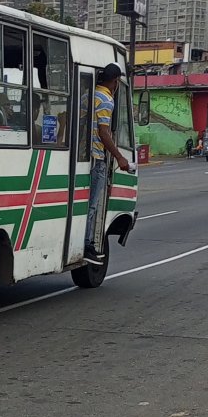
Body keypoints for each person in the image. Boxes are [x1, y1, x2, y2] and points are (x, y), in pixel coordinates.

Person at [84, 63, 130, 265]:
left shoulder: (88, 94)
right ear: (116, 82)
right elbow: (104, 132)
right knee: (93, 204)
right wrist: (119, 156)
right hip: (96, 157)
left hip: (84, 155)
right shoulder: (106, 99)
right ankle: (87, 245)